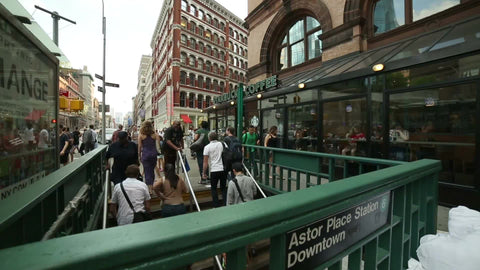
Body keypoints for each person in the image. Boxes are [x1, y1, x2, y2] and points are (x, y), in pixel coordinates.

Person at [203, 131, 227, 207]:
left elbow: (205, 162)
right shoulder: (222, 144)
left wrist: (204, 173)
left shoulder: (207, 147)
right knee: (223, 187)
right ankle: (225, 202)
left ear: (209, 138)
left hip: (214, 170)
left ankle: (216, 205)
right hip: (223, 168)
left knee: (214, 188)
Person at [138, 121, 161, 194]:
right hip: (153, 154)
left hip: (145, 154)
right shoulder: (155, 135)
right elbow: (158, 144)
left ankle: (149, 189)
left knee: (147, 171)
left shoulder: (141, 135)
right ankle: (152, 186)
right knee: (151, 170)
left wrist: (139, 155)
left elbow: (140, 146)